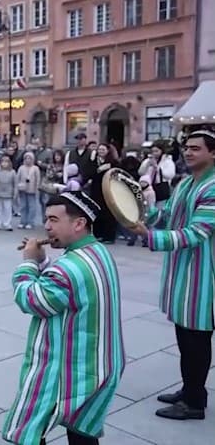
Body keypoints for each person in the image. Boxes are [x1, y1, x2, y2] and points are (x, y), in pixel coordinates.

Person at [4, 191, 125, 445]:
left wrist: (28, 263)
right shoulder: (98, 251)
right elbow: (66, 290)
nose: (46, 227)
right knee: (81, 430)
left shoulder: (66, 269)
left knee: (28, 428)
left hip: (69, 369)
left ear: (79, 223)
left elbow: (31, 299)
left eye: (53, 220)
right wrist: (44, 261)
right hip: (100, 364)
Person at [129, 128, 215, 420]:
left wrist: (150, 238)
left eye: (196, 148)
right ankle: (190, 389)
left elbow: (197, 232)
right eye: (187, 148)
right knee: (185, 338)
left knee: (196, 340)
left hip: (204, 278)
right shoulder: (185, 184)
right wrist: (142, 214)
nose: (188, 152)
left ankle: (194, 403)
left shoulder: (213, 188)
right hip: (184, 275)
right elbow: (168, 217)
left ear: (213, 153)